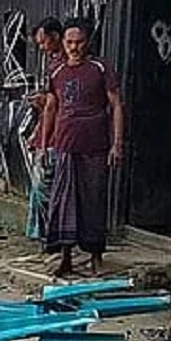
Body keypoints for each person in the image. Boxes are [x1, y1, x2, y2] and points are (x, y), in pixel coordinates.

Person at [43, 19, 124, 277]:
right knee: (64, 201)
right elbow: (50, 108)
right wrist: (44, 144)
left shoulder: (101, 68)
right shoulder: (56, 71)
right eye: (69, 42)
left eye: (79, 42)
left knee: (94, 200)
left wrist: (117, 144)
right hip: (65, 145)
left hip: (96, 145)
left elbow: (116, 105)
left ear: (87, 42)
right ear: (63, 43)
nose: (74, 47)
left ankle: (96, 257)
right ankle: (65, 258)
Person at [24, 17, 65, 241]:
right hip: (53, 132)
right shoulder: (54, 63)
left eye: (43, 42)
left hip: (57, 135)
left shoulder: (61, 67)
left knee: (44, 186)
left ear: (55, 36)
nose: (42, 47)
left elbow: (51, 106)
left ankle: (49, 234)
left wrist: (41, 142)